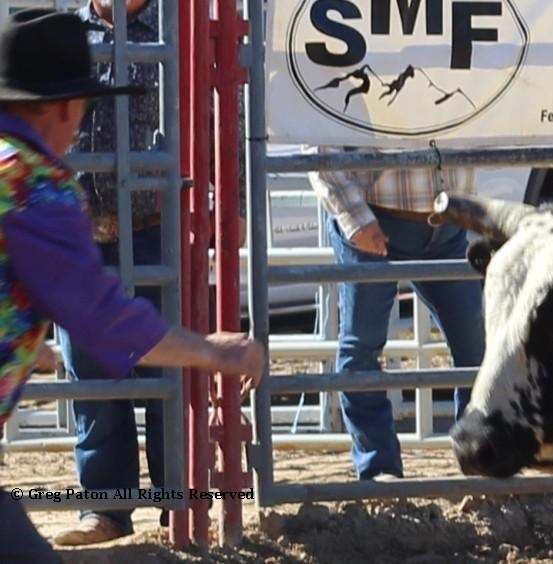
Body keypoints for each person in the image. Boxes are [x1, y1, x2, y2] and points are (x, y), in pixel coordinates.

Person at [0, 10, 265, 562]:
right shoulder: (37, 185)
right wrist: (209, 349)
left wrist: (22, 338)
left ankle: (144, 501)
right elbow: (101, 314)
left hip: (141, 225)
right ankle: (116, 503)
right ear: (69, 106)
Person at [50, 0, 168, 546]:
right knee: (93, 376)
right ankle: (105, 507)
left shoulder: (171, 26)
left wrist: (230, 202)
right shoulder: (65, 31)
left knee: (167, 372)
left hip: (153, 223)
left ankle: (180, 501)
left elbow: (219, 114)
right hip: (78, 232)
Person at [308, 148, 483, 481]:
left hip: (445, 221)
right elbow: (319, 144)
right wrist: (355, 217)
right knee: (363, 344)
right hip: (378, 214)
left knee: (476, 348)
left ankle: (478, 457)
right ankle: (378, 466)